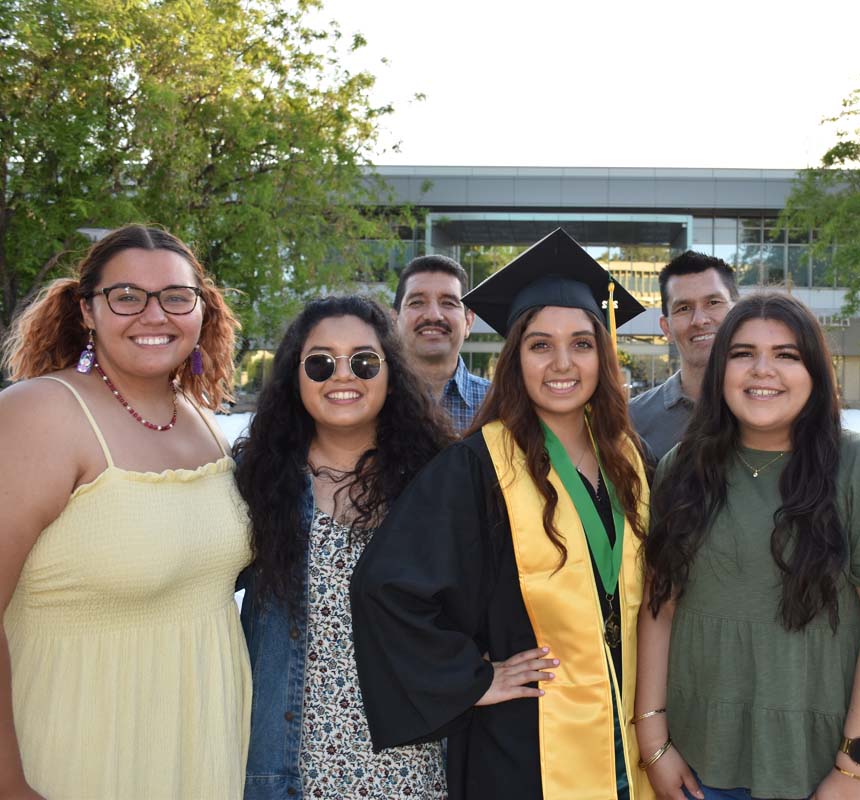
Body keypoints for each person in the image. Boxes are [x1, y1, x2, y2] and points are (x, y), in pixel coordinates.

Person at [351, 228, 654, 799]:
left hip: (628, 731)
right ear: (515, 356)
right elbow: (384, 587)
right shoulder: (476, 467)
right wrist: (474, 680)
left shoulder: (633, 462)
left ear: (603, 353)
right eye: (540, 344)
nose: (562, 363)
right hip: (525, 744)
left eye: (582, 344)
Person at [637, 292, 860, 800]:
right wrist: (652, 738)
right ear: (719, 370)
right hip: (703, 761)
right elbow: (660, 608)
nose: (763, 371)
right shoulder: (680, 469)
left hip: (834, 766)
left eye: (786, 355)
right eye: (742, 354)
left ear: (815, 372)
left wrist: (854, 771)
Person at [0, 224, 247, 798]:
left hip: (204, 745)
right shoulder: (40, 413)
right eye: (127, 296)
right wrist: (9, 784)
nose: (153, 315)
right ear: (88, 310)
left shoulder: (205, 419)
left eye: (176, 298)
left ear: (201, 311)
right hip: (79, 747)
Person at [234, 296, 454, 798]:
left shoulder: (436, 481)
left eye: (363, 361)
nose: (342, 375)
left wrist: (481, 679)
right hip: (289, 769)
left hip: (414, 768)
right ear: (295, 377)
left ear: (391, 375)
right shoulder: (256, 484)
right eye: (320, 363)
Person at [629, 251, 737, 459]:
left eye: (713, 303)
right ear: (666, 327)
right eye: (684, 308)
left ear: (737, 311)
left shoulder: (765, 405)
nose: (699, 320)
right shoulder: (633, 421)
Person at [392, 254, 490, 432]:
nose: (433, 315)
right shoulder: (372, 401)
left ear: (468, 322)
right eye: (417, 303)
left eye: (448, 303)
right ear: (394, 320)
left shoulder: (500, 405)